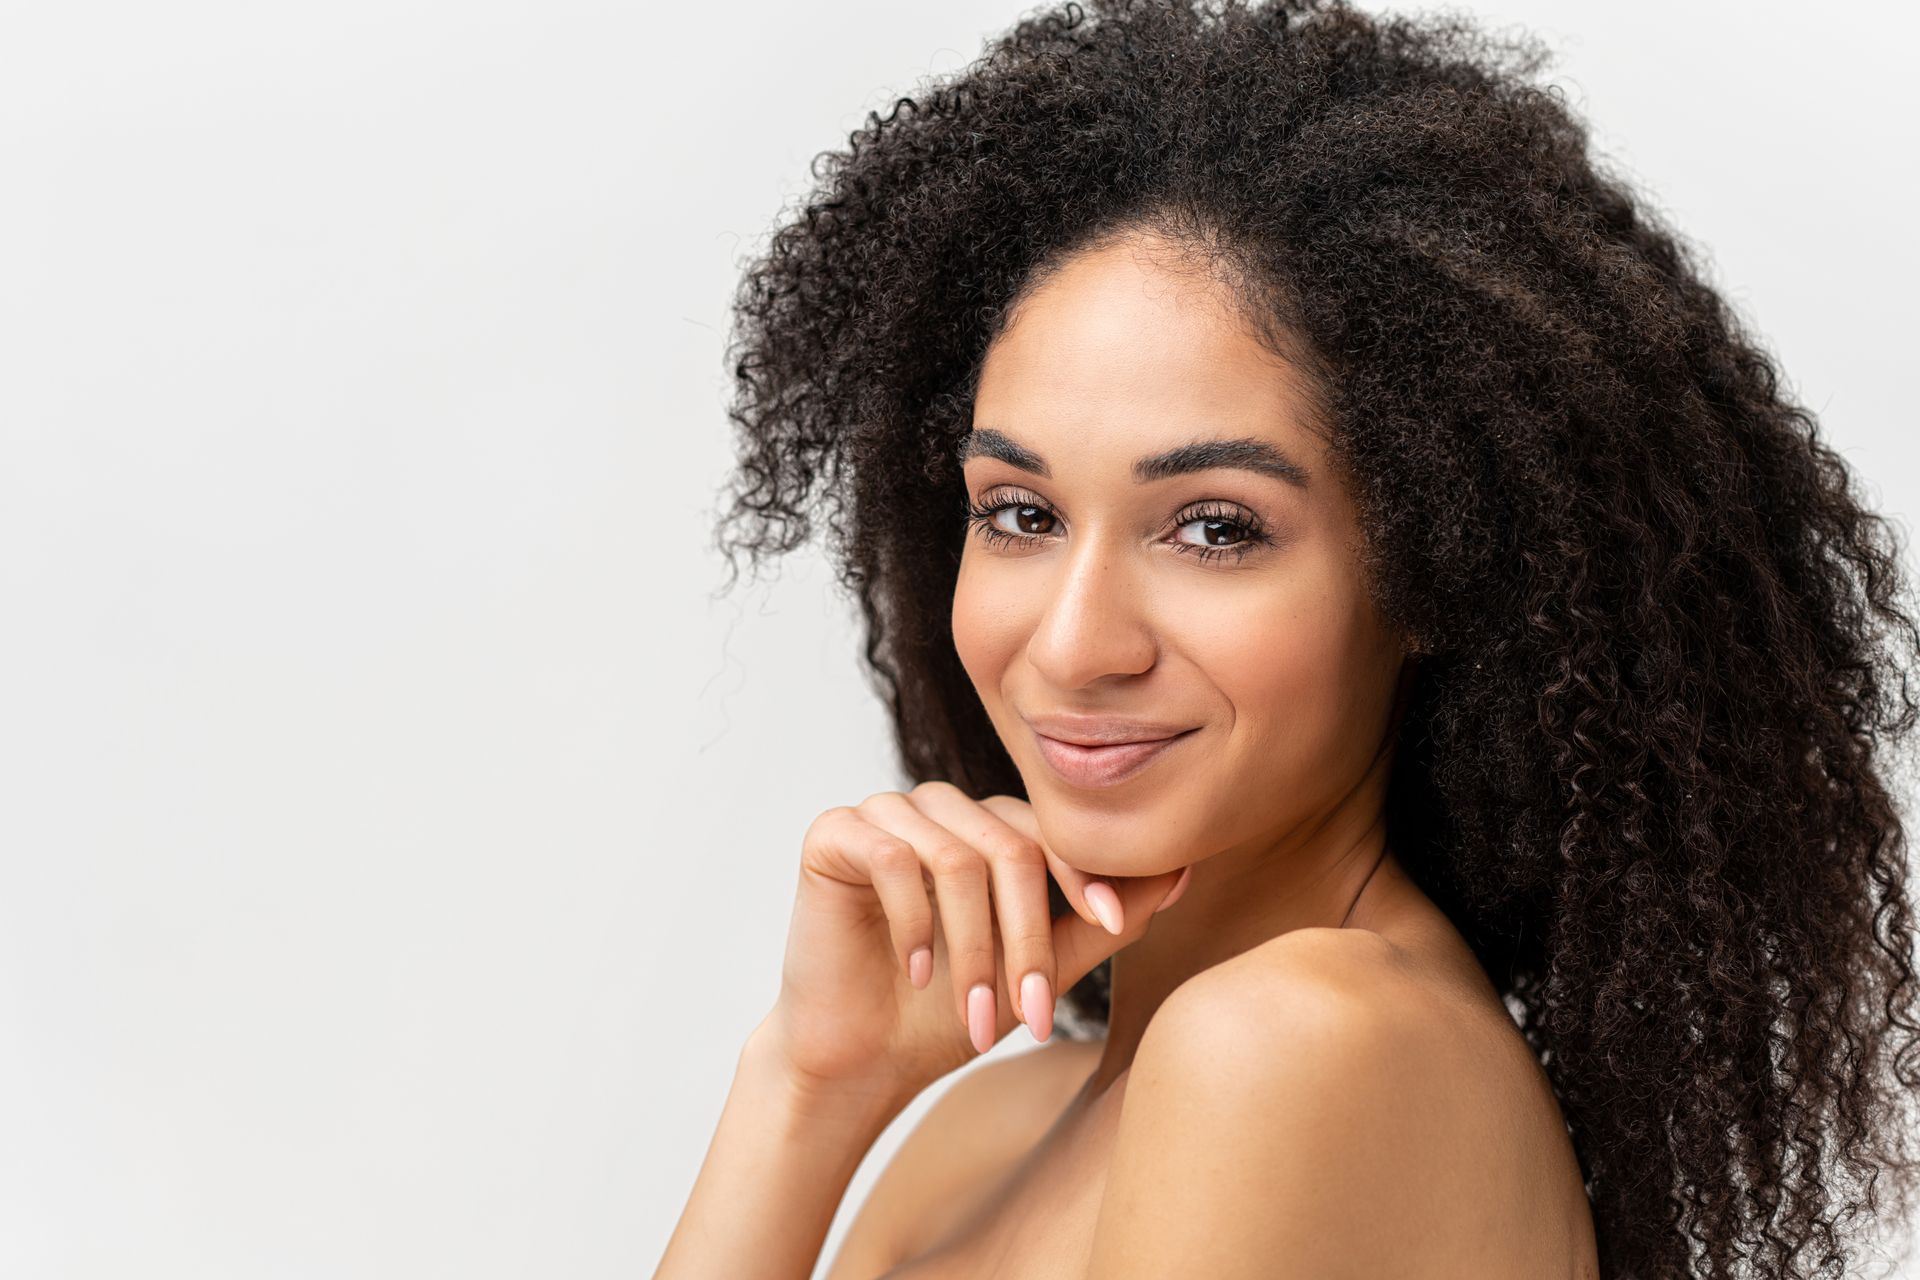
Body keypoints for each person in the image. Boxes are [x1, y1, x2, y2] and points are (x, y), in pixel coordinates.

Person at [656, 1, 1920, 1276]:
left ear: (1434, 564)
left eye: (1214, 528)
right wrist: (808, 1084)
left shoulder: (1301, 1046)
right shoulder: (990, 1124)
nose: (1076, 643)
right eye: (1022, 512)